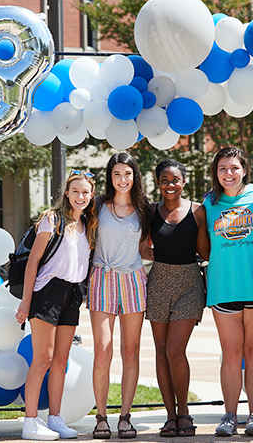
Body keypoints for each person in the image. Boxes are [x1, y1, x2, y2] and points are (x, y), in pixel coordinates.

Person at [16, 170, 98, 441]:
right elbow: (33, 263)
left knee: (61, 361)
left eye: (85, 192)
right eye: (75, 191)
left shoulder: (89, 225)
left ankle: (55, 418)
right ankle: (30, 422)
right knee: (43, 360)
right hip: (47, 293)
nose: (80, 196)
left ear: (91, 194)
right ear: (66, 193)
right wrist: (26, 302)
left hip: (73, 294)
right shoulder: (52, 220)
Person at [203, 146, 253, 437]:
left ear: (244, 169)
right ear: (215, 173)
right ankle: (230, 416)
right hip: (224, 288)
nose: (228, 173)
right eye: (222, 169)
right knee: (230, 354)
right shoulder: (208, 203)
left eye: (234, 168)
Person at [87, 152, 151, 439]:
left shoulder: (144, 210)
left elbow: (147, 247)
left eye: (127, 173)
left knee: (131, 351)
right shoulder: (98, 205)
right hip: (103, 277)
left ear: (135, 176)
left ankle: (125, 417)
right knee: (103, 349)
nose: (122, 179)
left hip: (134, 280)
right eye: (117, 174)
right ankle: (101, 417)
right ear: (109, 178)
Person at [146, 159, 210, 437]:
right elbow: (142, 246)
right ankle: (170, 416)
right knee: (160, 350)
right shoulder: (149, 211)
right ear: (157, 183)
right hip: (158, 281)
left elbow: (206, 253)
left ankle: (184, 411)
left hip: (188, 282)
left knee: (175, 349)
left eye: (175, 180)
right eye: (164, 180)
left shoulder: (198, 211)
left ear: (184, 181)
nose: (170, 185)